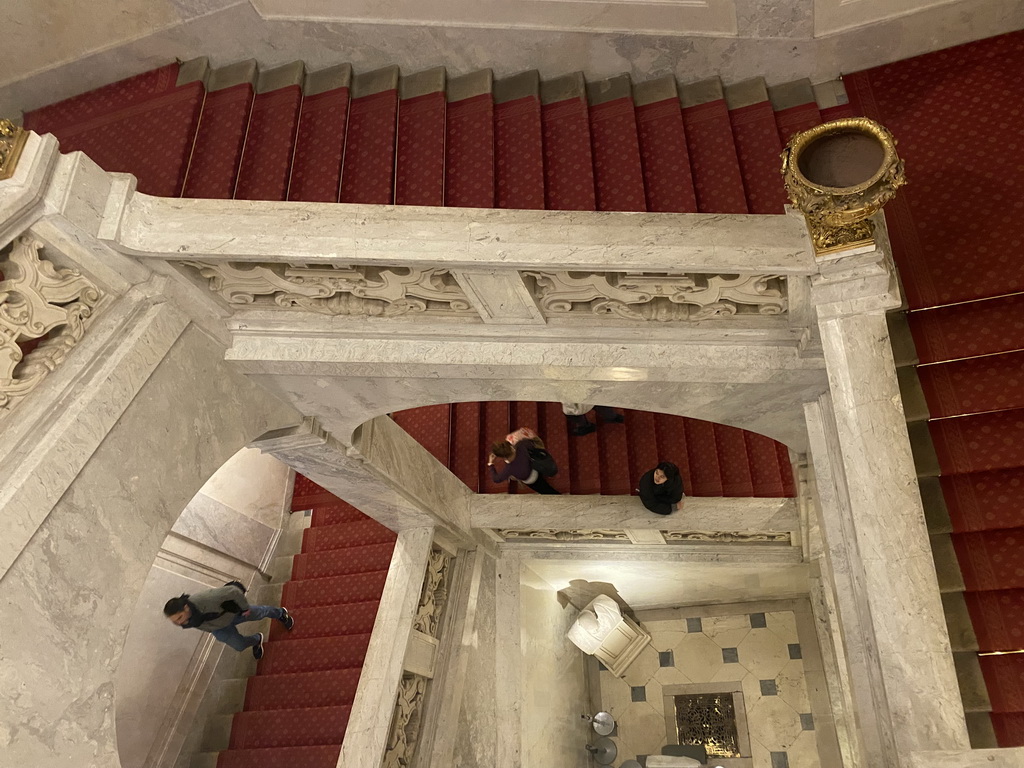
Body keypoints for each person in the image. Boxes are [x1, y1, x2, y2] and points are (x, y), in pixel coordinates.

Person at [164, 580, 293, 659]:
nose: (180, 623)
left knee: (260, 612)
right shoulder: (186, 620)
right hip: (219, 627)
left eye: (179, 617)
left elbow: (232, 591)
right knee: (239, 645)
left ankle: (281, 613)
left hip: (234, 614)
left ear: (186, 607)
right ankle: (257, 640)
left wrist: (244, 608)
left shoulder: (205, 599)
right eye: (175, 621)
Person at [488, 439, 560, 494]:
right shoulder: (521, 446)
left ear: (503, 457)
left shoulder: (509, 469)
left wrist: (490, 463)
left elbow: (496, 479)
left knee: (545, 490)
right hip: (535, 467)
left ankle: (557, 495)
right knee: (543, 482)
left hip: (532, 480)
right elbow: (531, 443)